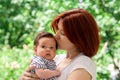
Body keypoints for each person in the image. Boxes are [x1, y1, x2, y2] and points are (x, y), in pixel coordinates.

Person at [19, 8, 100, 80]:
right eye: (57, 29)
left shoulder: (83, 65)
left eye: (63, 33)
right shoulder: (56, 59)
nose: (56, 36)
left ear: (79, 37)